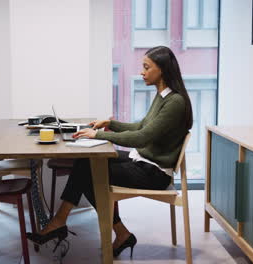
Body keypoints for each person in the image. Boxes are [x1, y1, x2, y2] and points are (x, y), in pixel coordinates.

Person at [26, 46, 193, 258]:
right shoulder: (163, 97)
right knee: (86, 163)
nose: (142, 72)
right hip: (142, 161)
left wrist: (99, 135)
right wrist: (110, 123)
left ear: (162, 70)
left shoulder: (175, 102)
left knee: (89, 171)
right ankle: (114, 232)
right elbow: (141, 126)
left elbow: (142, 137)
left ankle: (63, 223)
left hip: (154, 173)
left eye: (146, 67)